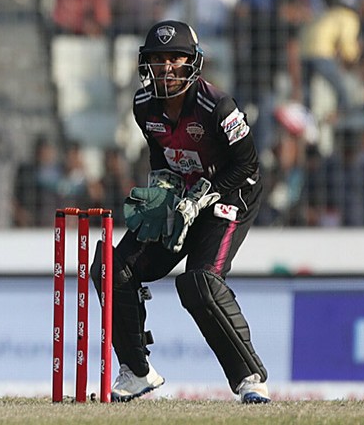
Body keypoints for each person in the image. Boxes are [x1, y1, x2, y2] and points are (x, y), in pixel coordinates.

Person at [92, 20, 271, 404]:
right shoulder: (143, 106)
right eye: (158, 59)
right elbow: (162, 154)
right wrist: (163, 189)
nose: (167, 67)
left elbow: (247, 165)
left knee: (199, 282)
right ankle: (137, 372)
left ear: (193, 62)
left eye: (176, 57)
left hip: (232, 195)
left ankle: (251, 380)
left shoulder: (217, 106)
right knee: (110, 268)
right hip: (184, 196)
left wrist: (204, 196)